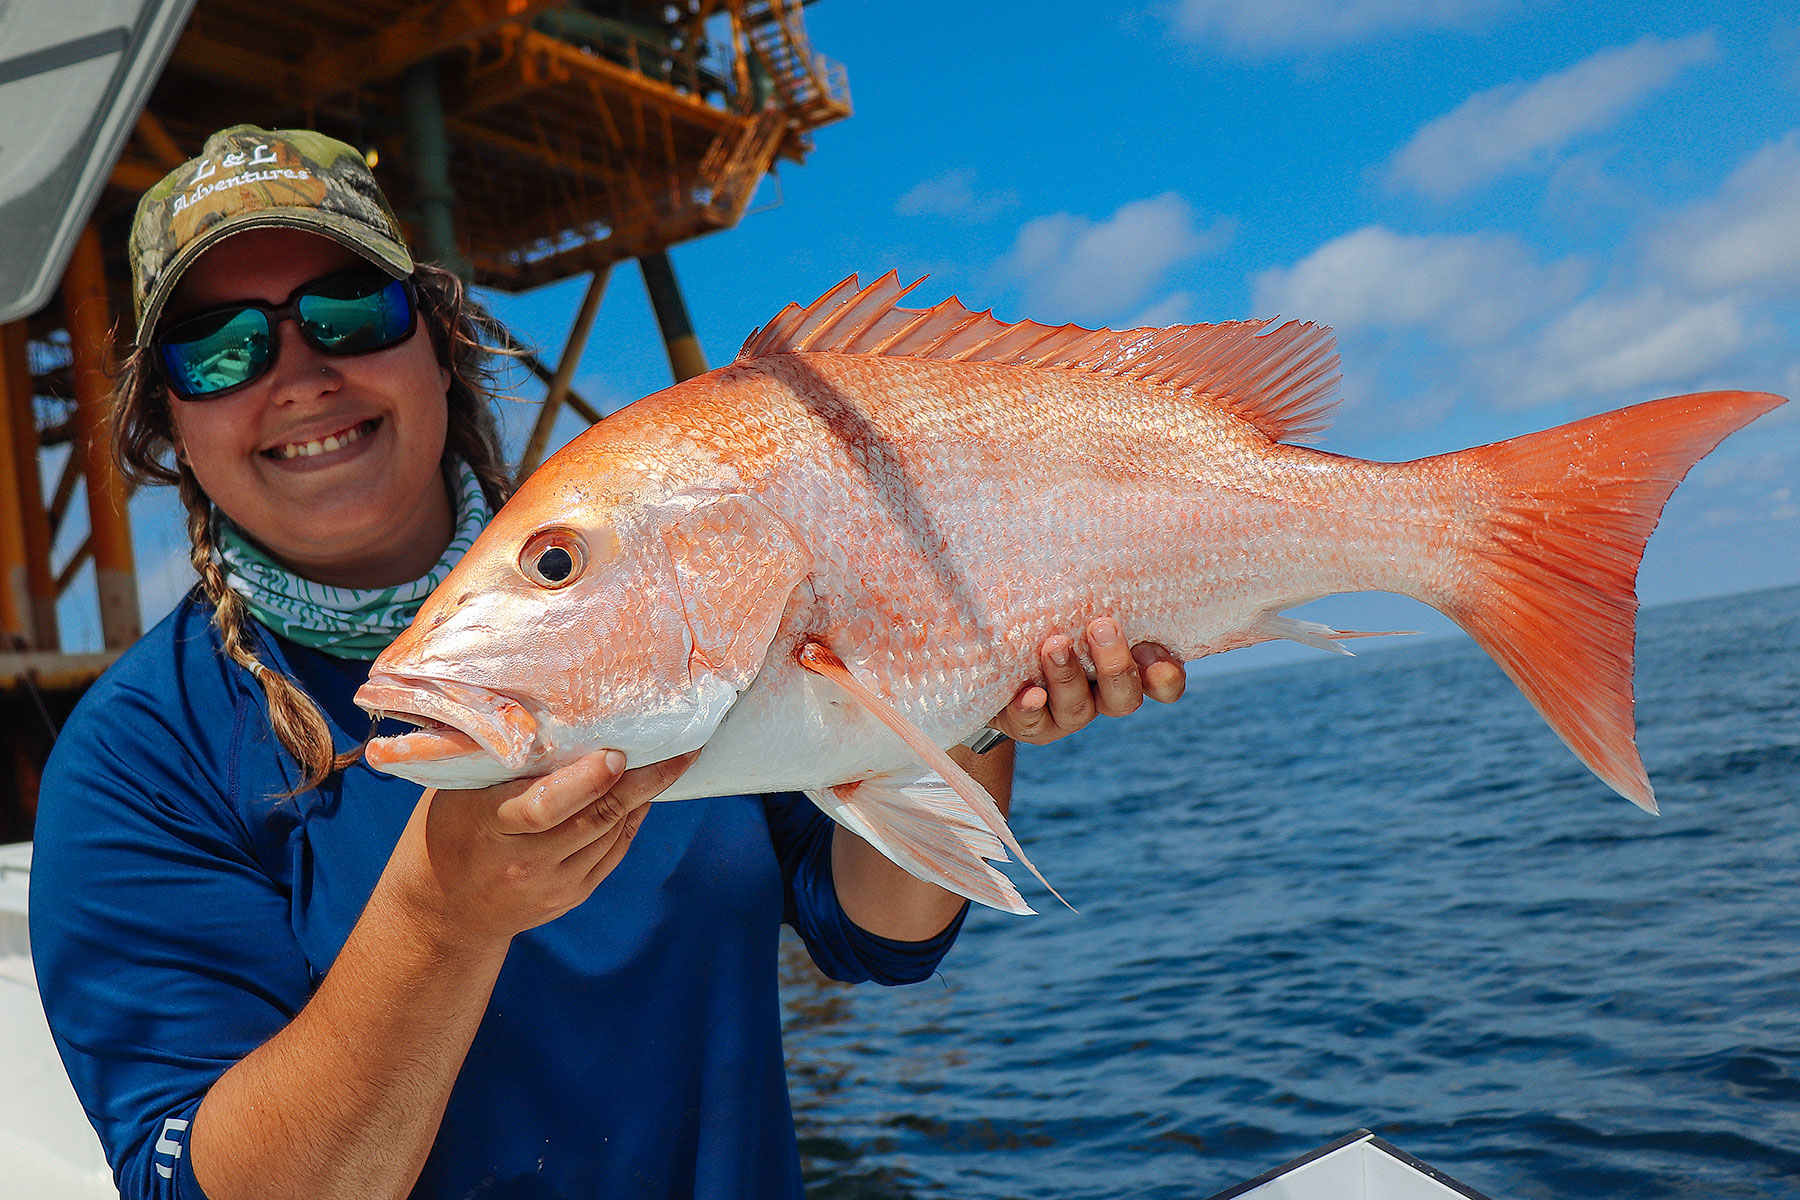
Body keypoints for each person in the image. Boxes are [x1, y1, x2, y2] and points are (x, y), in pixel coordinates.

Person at [29, 126, 1187, 1200]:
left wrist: (971, 700)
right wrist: (441, 921)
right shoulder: (135, 761)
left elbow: (879, 930)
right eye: (216, 349)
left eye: (348, 310)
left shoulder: (680, 570)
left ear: (438, 340)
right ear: (166, 420)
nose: (298, 373)